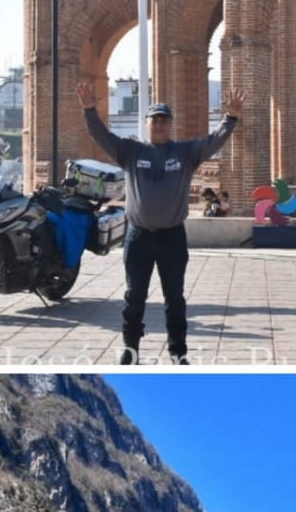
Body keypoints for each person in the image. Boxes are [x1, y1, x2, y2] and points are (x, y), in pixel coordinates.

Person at [75, 81, 246, 364]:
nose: (159, 125)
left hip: (172, 238)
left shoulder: (184, 153)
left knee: (175, 300)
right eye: (155, 120)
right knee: (133, 299)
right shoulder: (129, 151)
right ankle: (130, 353)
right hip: (138, 237)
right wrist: (90, 110)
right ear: (147, 124)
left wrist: (231, 118)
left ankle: (178, 353)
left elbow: (214, 140)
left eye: (164, 120)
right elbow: (100, 135)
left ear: (170, 125)